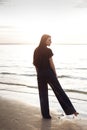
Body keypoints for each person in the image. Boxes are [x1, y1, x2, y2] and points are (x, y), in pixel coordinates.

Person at [33, 34, 79, 119]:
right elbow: (51, 64)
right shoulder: (48, 50)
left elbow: (35, 64)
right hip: (49, 73)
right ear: (44, 40)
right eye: (49, 40)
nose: (51, 41)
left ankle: (46, 115)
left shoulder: (36, 50)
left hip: (40, 74)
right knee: (59, 91)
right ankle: (72, 111)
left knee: (43, 94)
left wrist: (39, 74)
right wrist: (55, 74)